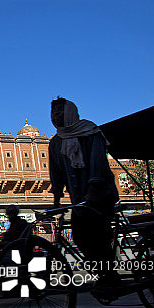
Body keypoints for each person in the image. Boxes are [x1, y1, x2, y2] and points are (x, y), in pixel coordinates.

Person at [49, 97, 119, 293]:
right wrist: (55, 202)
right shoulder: (55, 143)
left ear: (70, 112)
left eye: (60, 112)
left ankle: (110, 277)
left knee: (99, 236)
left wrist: (93, 189)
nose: (56, 116)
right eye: (53, 113)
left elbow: (98, 163)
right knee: (80, 237)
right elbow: (56, 175)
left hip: (99, 197)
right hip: (79, 201)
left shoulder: (90, 132)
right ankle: (103, 275)